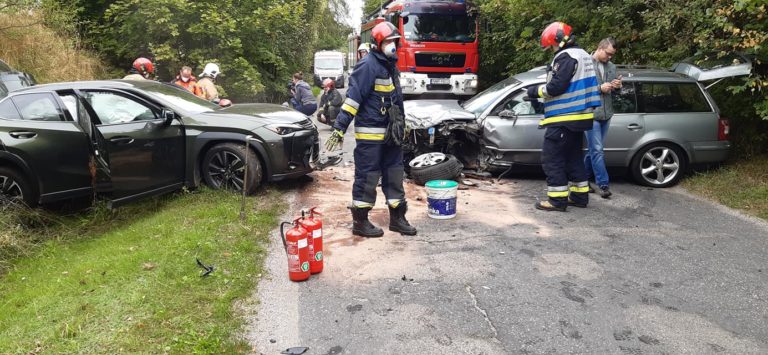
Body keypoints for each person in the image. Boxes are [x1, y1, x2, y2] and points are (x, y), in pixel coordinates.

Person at [325, 22, 417, 237]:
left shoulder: (390, 65)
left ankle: (397, 218)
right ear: (377, 43)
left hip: (391, 134)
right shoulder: (367, 65)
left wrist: (402, 122)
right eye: (388, 41)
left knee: (394, 174)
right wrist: (339, 127)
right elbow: (353, 100)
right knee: (367, 176)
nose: (392, 45)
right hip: (370, 134)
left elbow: (397, 99)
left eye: (394, 41)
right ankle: (360, 222)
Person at [526, 21, 601, 212]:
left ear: (559, 41)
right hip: (580, 118)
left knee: (553, 160)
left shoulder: (566, 57)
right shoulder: (583, 55)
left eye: (551, 45)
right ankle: (579, 196)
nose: (550, 49)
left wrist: (535, 91)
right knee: (573, 158)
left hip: (563, 118)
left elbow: (555, 87)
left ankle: (557, 201)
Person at [585, 38, 621, 199]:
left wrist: (617, 86)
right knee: (598, 150)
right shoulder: (585, 64)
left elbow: (614, 92)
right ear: (600, 48)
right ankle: (603, 184)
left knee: (594, 150)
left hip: (607, 114)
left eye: (612, 55)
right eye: (608, 54)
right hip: (591, 114)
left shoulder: (611, 67)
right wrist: (600, 88)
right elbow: (581, 90)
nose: (610, 57)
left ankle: (581, 179)